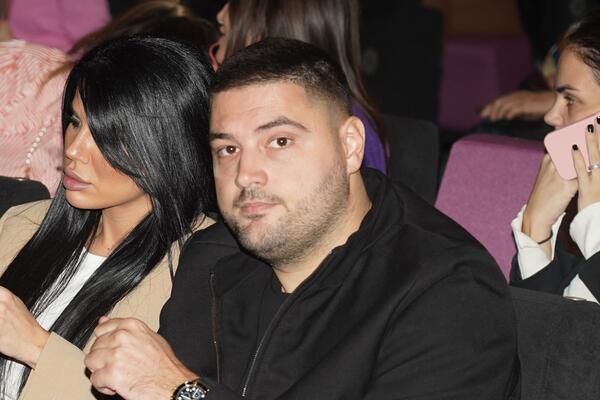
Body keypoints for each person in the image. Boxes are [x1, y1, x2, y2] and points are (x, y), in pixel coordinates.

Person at [84, 38, 519, 400]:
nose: (245, 174)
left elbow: (171, 386)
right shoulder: (213, 256)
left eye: (279, 141)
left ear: (350, 146)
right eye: (228, 150)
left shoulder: (444, 289)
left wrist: (180, 391)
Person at [0, 35, 215, 399]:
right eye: (74, 122)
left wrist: (37, 346)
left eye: (105, 135)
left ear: (167, 143)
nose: (74, 149)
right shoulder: (22, 223)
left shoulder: (205, 269)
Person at [211, 0, 387, 174]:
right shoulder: (341, 120)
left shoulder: (342, 131)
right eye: (229, 149)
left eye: (281, 141)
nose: (220, 14)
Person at [511, 10, 600, 303]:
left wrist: (594, 217)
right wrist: (535, 230)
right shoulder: (571, 211)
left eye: (570, 99)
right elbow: (542, 327)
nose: (551, 115)